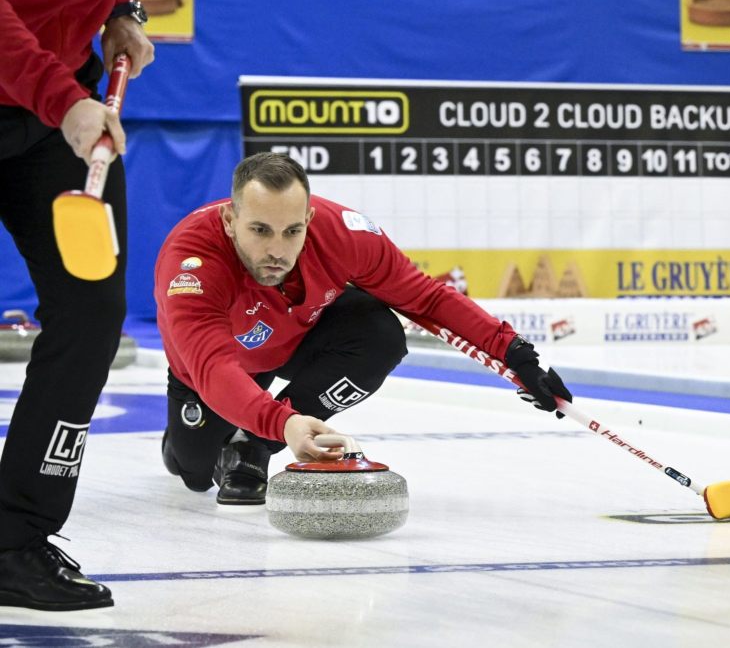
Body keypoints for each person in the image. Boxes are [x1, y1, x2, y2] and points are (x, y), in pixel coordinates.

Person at [155, 152, 572, 506]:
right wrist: (283, 421)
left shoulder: (343, 233)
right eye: (260, 231)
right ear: (230, 220)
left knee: (380, 334)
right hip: (216, 367)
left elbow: (425, 298)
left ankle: (253, 446)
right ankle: (189, 439)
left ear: (310, 219)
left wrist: (516, 352)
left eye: (293, 231)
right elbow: (213, 368)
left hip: (301, 336)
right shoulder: (191, 262)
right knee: (193, 472)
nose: (277, 251)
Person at [0, 0, 156, 610]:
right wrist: (61, 99)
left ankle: (14, 541)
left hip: (55, 104)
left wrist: (122, 5)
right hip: (55, 97)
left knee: (91, 314)